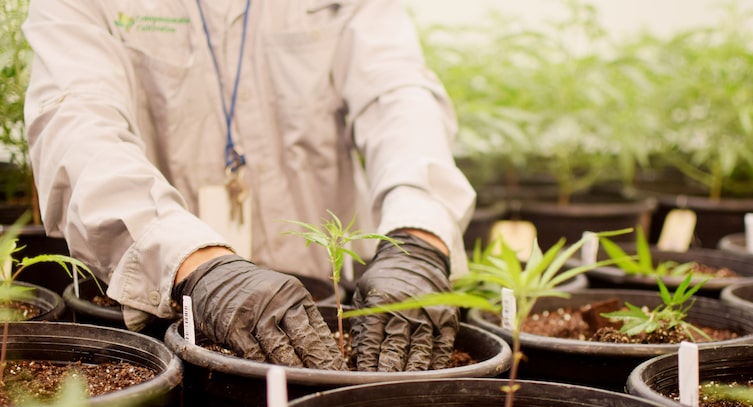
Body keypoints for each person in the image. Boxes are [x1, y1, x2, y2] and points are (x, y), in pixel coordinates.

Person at [23, 0, 475, 372]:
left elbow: (399, 97)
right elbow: (75, 125)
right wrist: (196, 265)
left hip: (325, 298)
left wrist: (417, 236)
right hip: (170, 304)